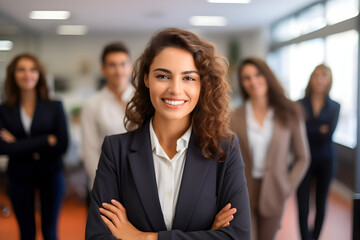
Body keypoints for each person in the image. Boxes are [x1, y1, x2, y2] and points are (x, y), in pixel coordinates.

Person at [85, 28, 251, 240]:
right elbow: (97, 237)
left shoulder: (225, 149)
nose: (175, 89)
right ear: (146, 79)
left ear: (202, 84)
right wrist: (207, 234)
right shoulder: (115, 151)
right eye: (163, 76)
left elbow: (238, 236)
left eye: (188, 78)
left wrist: (143, 237)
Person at [230, 57, 310, 240]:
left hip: (275, 190)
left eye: (258, 75)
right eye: (246, 77)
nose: (253, 81)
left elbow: (303, 157)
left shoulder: (290, 113)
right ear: (242, 83)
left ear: (267, 76)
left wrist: (287, 187)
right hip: (242, 191)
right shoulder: (234, 116)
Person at [0, 53, 68, 240]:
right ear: (13, 74)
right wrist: (45, 141)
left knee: (50, 231)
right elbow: (2, 148)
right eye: (21, 69)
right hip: (19, 174)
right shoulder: (4, 109)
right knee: (27, 232)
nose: (27, 74)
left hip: (51, 173)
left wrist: (17, 144)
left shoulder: (55, 106)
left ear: (39, 74)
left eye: (32, 69)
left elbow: (62, 145)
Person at [81, 42, 133, 194]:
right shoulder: (92, 104)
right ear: (103, 70)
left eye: (123, 64)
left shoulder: (143, 100)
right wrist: (103, 184)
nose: (119, 70)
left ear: (130, 67)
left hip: (140, 180)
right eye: (112, 65)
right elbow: (90, 150)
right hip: (106, 181)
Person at [296, 64, 340, 240]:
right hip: (303, 159)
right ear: (311, 78)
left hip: (326, 160)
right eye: (316, 75)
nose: (320, 79)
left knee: (321, 202)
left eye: (324, 76)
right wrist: (318, 129)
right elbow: (298, 134)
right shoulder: (299, 104)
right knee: (302, 203)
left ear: (329, 80)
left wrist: (308, 129)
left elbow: (328, 134)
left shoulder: (335, 106)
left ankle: (315, 237)